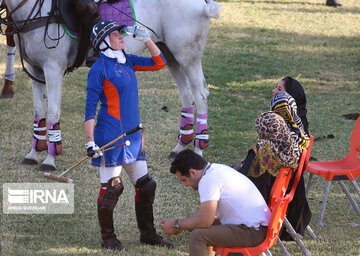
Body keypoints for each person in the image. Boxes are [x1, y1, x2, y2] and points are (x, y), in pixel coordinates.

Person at [84, 20, 173, 251]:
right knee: (111, 188)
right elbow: (89, 109)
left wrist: (146, 39)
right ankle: (108, 239)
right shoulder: (98, 69)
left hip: (134, 137)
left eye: (121, 33)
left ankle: (148, 235)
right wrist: (90, 141)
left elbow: (159, 63)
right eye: (115, 34)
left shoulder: (129, 61)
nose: (122, 36)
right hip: (110, 137)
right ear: (104, 41)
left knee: (146, 186)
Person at [160, 149, 271, 256]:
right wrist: (182, 225)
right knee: (198, 228)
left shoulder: (208, 180)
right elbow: (206, 216)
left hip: (252, 231)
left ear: (193, 172)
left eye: (184, 180)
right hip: (255, 227)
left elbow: (205, 221)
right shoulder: (217, 169)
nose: (185, 185)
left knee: (198, 236)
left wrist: (176, 225)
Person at [271, 77, 312, 240]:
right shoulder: (292, 123)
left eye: (279, 90)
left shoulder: (289, 132)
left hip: (276, 186)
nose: (274, 91)